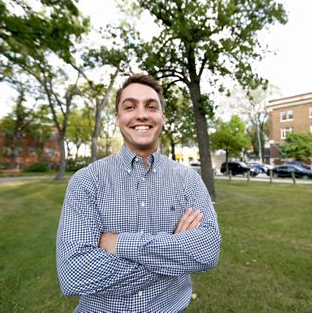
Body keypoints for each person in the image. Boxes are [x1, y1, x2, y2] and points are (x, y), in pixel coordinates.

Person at [56, 74, 221, 312]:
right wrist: (175, 252)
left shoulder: (188, 180)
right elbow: (75, 273)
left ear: (162, 117)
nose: (141, 114)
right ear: (118, 118)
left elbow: (208, 250)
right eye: (130, 106)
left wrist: (120, 244)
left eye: (151, 107)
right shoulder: (86, 181)